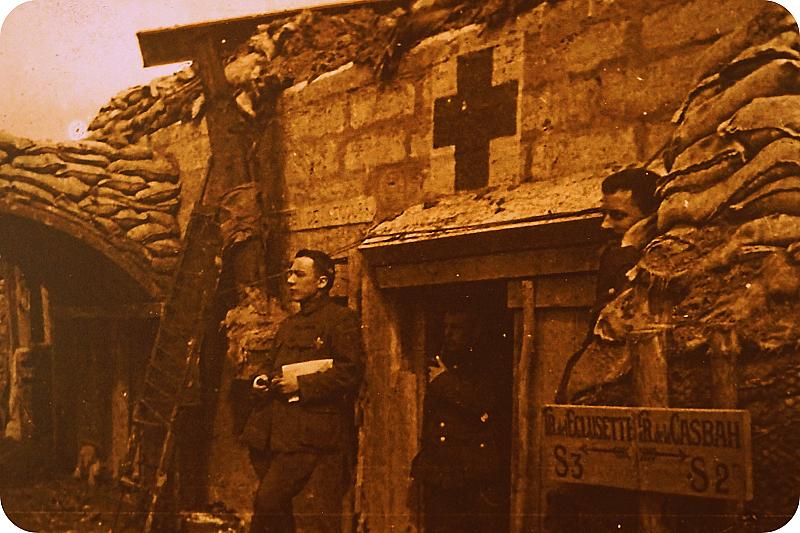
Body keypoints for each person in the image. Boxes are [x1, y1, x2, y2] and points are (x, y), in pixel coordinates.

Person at [240, 249, 364, 533]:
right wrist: (262, 379)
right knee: (275, 509)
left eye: (299, 274)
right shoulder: (288, 325)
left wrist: (302, 386)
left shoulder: (340, 320)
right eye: (289, 274)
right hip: (275, 434)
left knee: (271, 503)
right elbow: (272, 366)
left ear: (321, 282)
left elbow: (349, 373)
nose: (290, 280)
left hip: (311, 435)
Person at [411, 308, 507, 533]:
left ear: (473, 332)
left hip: (470, 471)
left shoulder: (487, 364)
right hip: (441, 471)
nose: (448, 333)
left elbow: (484, 403)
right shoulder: (441, 360)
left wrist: (444, 381)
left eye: (456, 328)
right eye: (446, 327)